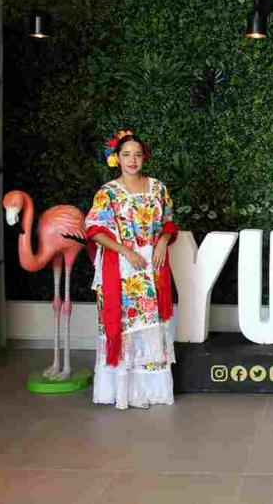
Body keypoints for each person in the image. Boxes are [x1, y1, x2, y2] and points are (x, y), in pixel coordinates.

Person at [85, 130, 178, 409]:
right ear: (116, 158)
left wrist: (163, 241)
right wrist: (125, 251)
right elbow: (95, 229)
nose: (132, 160)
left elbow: (169, 221)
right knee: (125, 327)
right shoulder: (108, 193)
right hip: (121, 268)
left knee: (150, 326)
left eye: (137, 154)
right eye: (126, 154)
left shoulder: (158, 188)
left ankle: (148, 392)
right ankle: (123, 392)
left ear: (144, 157)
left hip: (152, 267)